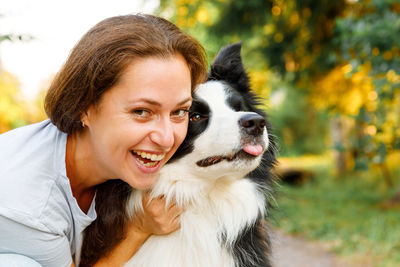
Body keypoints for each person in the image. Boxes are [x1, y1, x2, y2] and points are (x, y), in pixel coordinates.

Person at [0, 14, 207, 267]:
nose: (166, 138)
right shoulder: (30, 209)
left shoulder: (109, 156)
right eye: (141, 112)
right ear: (84, 106)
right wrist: (138, 229)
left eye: (179, 111)